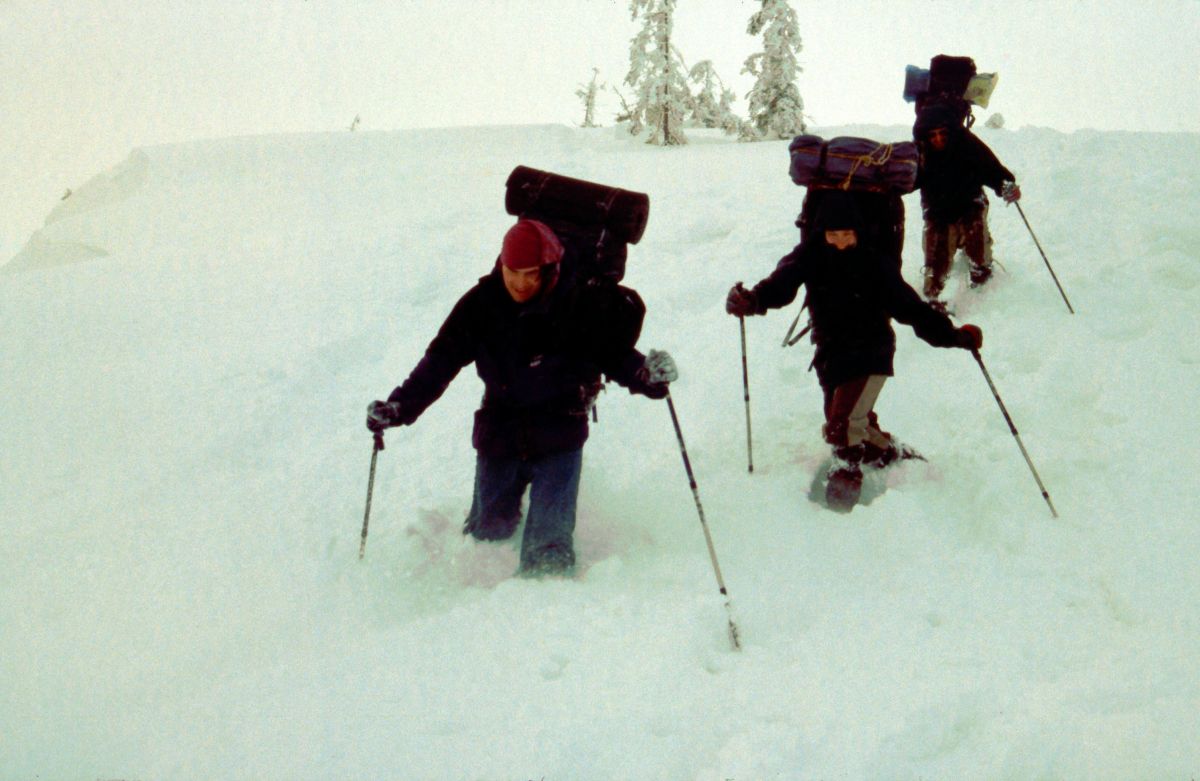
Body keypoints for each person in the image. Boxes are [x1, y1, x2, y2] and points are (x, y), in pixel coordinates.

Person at [366, 218, 676, 576]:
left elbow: (614, 354)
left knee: (549, 549)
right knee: (486, 537)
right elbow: (440, 361)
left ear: (549, 269)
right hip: (501, 428)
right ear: (502, 262)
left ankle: (549, 614)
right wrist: (400, 406)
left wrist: (646, 376)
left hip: (560, 431)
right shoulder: (481, 304)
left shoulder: (577, 304)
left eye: (531, 273)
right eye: (513, 271)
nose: (520, 282)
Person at [724, 191, 983, 507]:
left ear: (858, 231)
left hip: (870, 352)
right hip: (830, 354)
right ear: (822, 232)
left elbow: (911, 308)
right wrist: (750, 301)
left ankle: (842, 511)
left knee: (842, 429)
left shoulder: (875, 263)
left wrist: (953, 336)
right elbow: (779, 286)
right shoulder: (809, 255)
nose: (840, 241)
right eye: (833, 234)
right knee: (848, 421)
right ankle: (889, 453)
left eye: (847, 233)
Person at [913, 102, 1021, 308]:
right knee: (937, 263)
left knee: (977, 248)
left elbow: (992, 169)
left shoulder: (967, 145)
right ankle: (934, 300)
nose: (937, 139)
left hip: (970, 204)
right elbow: (906, 178)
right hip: (938, 212)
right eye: (932, 135)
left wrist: (1005, 184)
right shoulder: (920, 153)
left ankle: (983, 286)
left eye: (942, 133)